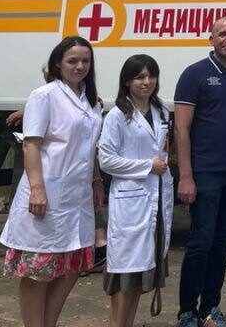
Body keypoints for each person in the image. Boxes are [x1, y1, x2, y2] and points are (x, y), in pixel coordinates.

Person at [0, 36, 104, 327]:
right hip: (48, 191)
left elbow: (90, 146)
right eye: (72, 60)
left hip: (78, 196)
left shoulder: (91, 101)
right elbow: (31, 144)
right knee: (40, 269)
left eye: (85, 61)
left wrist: (96, 179)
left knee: (69, 267)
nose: (79, 66)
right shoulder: (44, 96)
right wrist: (37, 189)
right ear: (58, 63)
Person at [173, 17, 226, 327]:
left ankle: (210, 308)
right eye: (221, 33)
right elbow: (181, 129)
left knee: (223, 243)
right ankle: (187, 311)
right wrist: (186, 176)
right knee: (201, 242)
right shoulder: (194, 74)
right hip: (205, 173)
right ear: (211, 39)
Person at [99, 55, 174, 327]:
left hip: (157, 199)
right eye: (139, 77)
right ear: (127, 81)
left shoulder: (161, 111)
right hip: (130, 202)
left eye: (151, 76)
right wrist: (146, 166)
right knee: (124, 278)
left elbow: (163, 150)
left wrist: (157, 167)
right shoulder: (117, 115)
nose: (146, 82)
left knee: (141, 277)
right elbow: (106, 160)